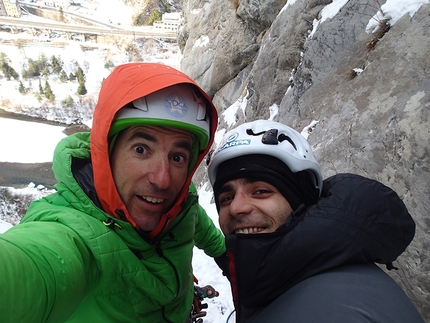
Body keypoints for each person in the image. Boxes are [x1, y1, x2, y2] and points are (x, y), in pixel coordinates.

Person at [0, 62, 226, 322]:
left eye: (177, 156)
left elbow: (193, 217)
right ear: (106, 153)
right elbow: (36, 265)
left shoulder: (178, 204)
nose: (162, 180)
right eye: (141, 149)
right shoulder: (71, 233)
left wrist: (223, 253)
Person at [207, 120, 424, 323]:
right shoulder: (294, 275)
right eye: (226, 198)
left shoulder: (337, 309)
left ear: (301, 200)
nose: (236, 208)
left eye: (261, 191)